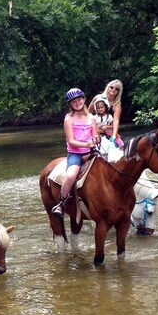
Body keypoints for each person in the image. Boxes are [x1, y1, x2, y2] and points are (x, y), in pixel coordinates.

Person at [52, 88, 99, 217]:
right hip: (76, 154)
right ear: (70, 104)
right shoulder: (69, 119)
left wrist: (96, 140)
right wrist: (86, 144)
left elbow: (94, 134)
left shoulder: (91, 118)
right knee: (71, 175)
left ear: (83, 100)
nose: (77, 103)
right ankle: (61, 203)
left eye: (79, 100)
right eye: (74, 101)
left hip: (92, 151)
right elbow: (71, 141)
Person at [88, 79, 123, 147]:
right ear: (108, 87)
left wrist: (114, 135)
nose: (113, 90)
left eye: (117, 89)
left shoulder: (117, 104)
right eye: (111, 87)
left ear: (119, 92)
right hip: (95, 129)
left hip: (108, 130)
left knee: (120, 145)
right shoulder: (97, 98)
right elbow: (87, 113)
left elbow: (116, 121)